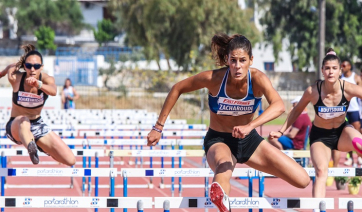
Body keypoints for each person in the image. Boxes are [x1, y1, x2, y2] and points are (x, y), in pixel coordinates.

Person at [147, 33, 310, 212]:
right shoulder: (214, 79)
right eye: (233, 60)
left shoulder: (257, 79)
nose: (237, 66)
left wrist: (250, 126)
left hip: (249, 141)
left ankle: (225, 193)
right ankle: (222, 200)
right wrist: (158, 127)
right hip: (219, 140)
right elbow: (178, 88)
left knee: (302, 179)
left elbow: (279, 106)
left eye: (242, 60)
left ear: (251, 60)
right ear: (227, 59)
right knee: (223, 167)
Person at [269, 48, 362, 198]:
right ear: (322, 71)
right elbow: (296, 110)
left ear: (340, 71)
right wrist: (281, 131)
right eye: (327, 68)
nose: (331, 72)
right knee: (321, 172)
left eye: (334, 68)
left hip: (342, 132)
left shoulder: (348, 88)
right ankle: (318, 209)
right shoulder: (313, 91)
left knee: (359, 142)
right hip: (320, 138)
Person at [0, 44, 76, 166]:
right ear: (24, 66)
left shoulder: (47, 79)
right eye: (29, 66)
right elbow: (10, 68)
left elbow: (53, 91)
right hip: (16, 125)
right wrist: (1, 73)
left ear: (41, 67)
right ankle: (32, 146)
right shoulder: (16, 78)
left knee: (70, 160)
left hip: (37, 124)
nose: (32, 70)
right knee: (24, 120)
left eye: (36, 66)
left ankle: (39, 146)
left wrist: (38, 84)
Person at [340, 59, 362, 166]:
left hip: (354, 109)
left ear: (349, 66)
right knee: (346, 134)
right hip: (344, 110)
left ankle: (359, 157)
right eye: (341, 65)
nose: (342, 67)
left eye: (344, 65)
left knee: (357, 133)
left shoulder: (356, 77)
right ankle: (350, 158)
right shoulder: (340, 78)